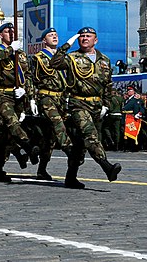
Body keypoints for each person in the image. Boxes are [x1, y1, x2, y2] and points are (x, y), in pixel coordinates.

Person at [50, 27, 122, 189]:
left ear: (95, 40)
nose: (84, 39)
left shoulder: (104, 60)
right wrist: (67, 44)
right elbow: (54, 63)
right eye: (81, 36)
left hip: (96, 105)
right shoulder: (72, 57)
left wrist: (106, 104)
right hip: (78, 104)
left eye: (88, 36)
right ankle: (107, 166)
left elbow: (108, 85)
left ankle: (70, 177)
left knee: (80, 144)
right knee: (90, 135)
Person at [0, 22, 39, 182]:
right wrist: (11, 50)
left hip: (18, 96)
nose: (11, 33)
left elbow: (28, 76)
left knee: (7, 136)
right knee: (12, 122)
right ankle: (28, 146)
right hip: (2, 94)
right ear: (1, 34)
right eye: (7, 31)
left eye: (13, 31)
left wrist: (29, 95)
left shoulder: (21, 54)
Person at [29, 27, 73, 180]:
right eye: (50, 35)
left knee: (50, 137)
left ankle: (42, 169)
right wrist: (32, 98)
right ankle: (69, 150)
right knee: (57, 123)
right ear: (44, 40)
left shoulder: (64, 58)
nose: (54, 37)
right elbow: (32, 79)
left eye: (56, 34)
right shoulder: (38, 58)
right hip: (46, 97)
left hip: (60, 98)